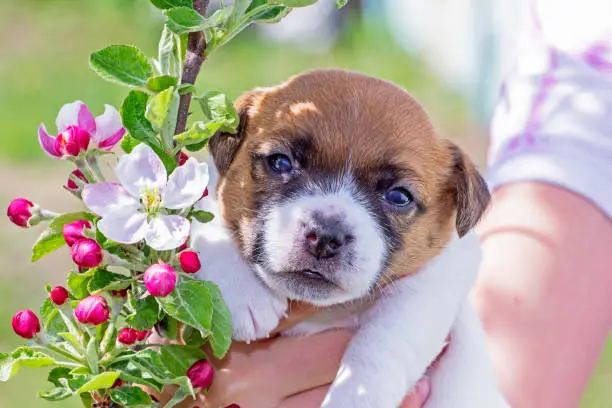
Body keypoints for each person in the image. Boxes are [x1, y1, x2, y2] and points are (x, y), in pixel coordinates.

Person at [159, 1, 612, 407]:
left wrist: (372, 380)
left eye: (396, 196)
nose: (324, 233)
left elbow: (453, 267)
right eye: (281, 163)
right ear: (229, 148)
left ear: (454, 211)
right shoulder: (209, 212)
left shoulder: (441, 263)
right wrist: (223, 262)